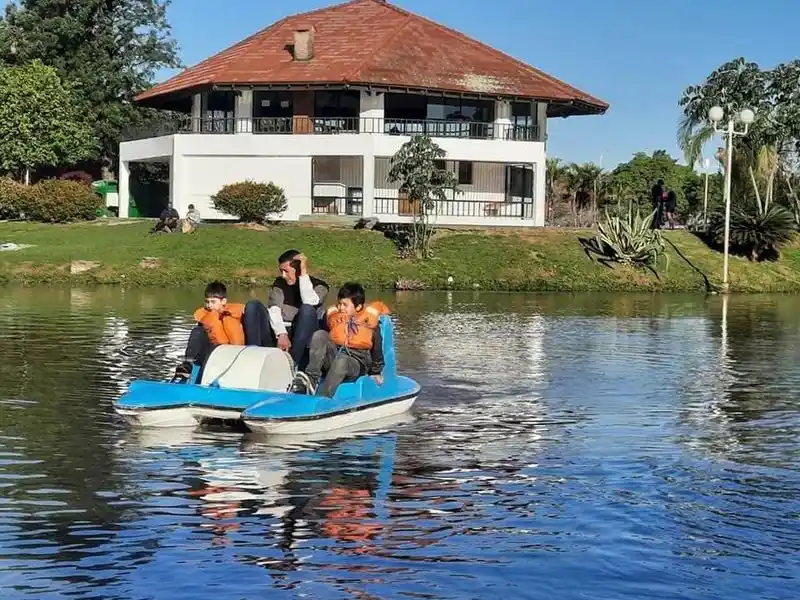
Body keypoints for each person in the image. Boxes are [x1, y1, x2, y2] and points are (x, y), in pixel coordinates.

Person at [291, 282, 386, 398]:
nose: (341, 308)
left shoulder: (369, 323)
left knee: (342, 360)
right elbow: (323, 341)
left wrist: (376, 372)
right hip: (336, 355)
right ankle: (312, 380)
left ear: (358, 307)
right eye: (340, 304)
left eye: (345, 305)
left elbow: (377, 348)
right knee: (320, 335)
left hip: (356, 364)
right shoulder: (335, 317)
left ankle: (323, 397)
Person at [171, 280, 271, 383]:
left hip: (236, 352)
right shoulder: (205, 317)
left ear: (223, 301)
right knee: (197, 331)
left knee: (253, 306)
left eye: (213, 302)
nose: (209, 305)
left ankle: (252, 357)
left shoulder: (238, 314)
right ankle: (187, 365)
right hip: (215, 352)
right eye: (207, 302)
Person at [257, 249, 329, 367]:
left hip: (304, 333)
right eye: (281, 271)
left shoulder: (320, 286)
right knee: (253, 306)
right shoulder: (279, 283)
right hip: (282, 331)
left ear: (298, 269)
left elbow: (309, 302)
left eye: (286, 271)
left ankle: (292, 363)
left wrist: (303, 275)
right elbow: (274, 309)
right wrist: (281, 334)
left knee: (306, 309)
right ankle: (254, 357)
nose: (283, 275)